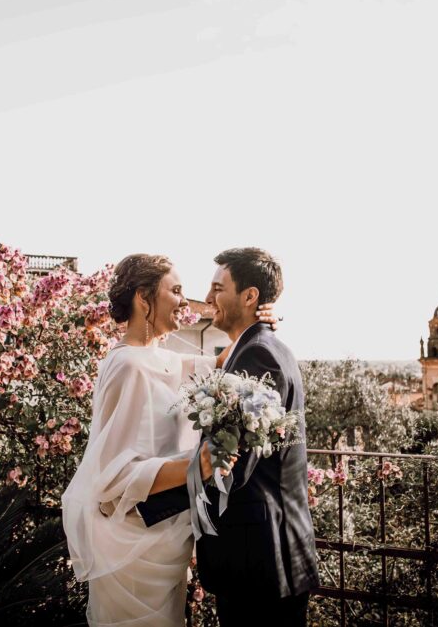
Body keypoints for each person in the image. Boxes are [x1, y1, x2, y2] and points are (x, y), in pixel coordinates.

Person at [61, 253, 274, 627]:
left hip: (166, 541)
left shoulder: (163, 359)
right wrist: (197, 466)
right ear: (144, 299)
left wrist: (262, 322)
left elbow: (226, 359)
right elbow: (112, 478)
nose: (185, 300)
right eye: (175, 291)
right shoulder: (126, 366)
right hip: (132, 556)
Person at [192, 247, 320, 627]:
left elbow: (228, 465)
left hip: (260, 560)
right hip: (266, 557)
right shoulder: (259, 347)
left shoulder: (257, 355)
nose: (209, 297)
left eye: (218, 287)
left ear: (249, 297)